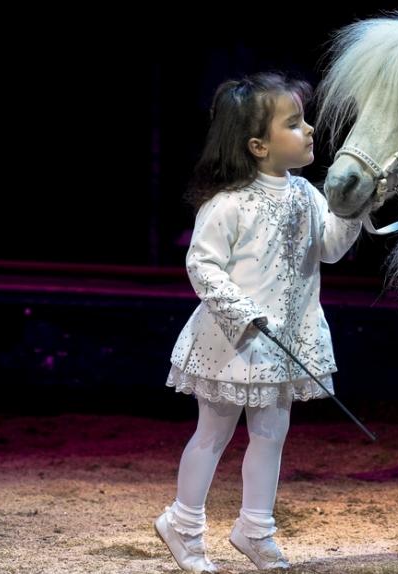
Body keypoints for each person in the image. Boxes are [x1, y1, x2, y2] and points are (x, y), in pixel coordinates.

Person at [154, 71, 361, 572]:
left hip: (286, 341)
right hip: (233, 343)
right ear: (257, 145)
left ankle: (255, 527)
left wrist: (352, 211)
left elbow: (330, 248)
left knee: (271, 434)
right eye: (294, 123)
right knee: (213, 434)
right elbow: (202, 265)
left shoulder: (308, 196)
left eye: (305, 120)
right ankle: (182, 524)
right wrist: (244, 314)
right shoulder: (227, 204)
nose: (309, 130)